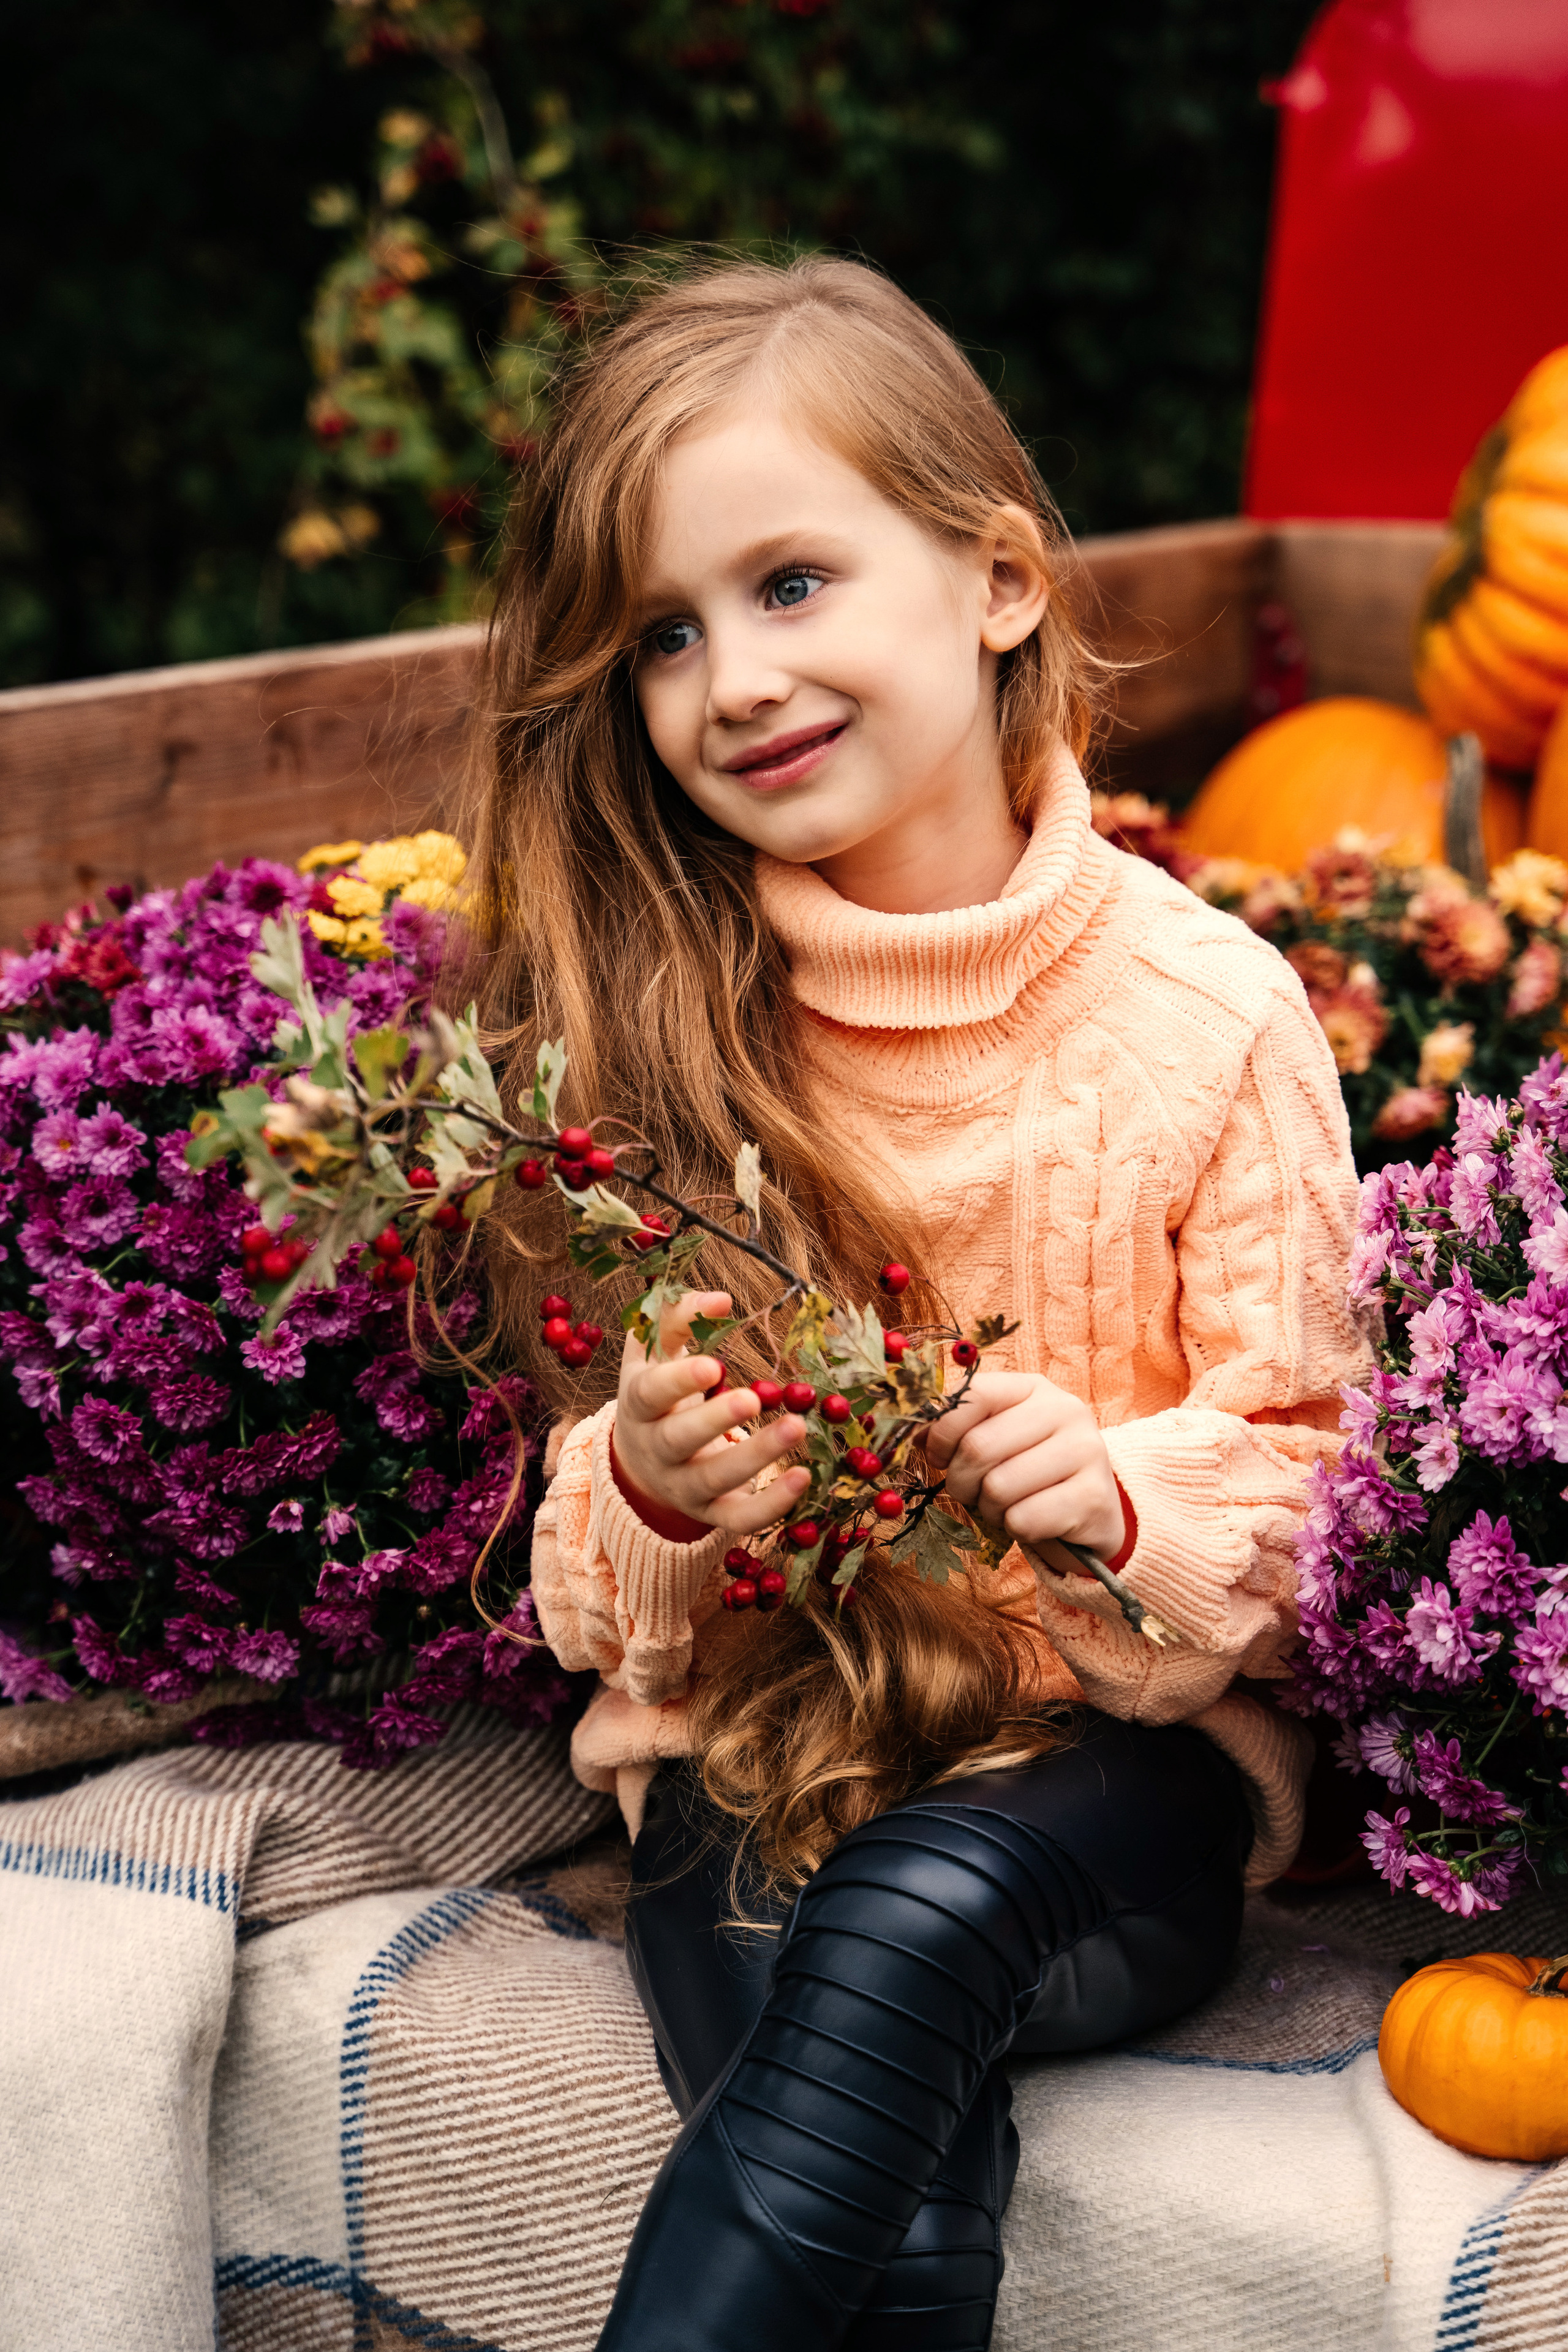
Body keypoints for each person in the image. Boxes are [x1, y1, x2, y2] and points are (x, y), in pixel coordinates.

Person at [462, 255, 1370, 2351]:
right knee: (897, 2204)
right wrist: (663, 1492)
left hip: (1114, 1790)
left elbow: (1324, 1489)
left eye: (791, 584)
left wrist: (1125, 1492)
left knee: (920, 1912)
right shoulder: (664, 1037)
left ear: (997, 581)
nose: (731, 680)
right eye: (668, 635)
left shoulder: (1209, 1022)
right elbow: (593, 1601)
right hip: (760, 1752)